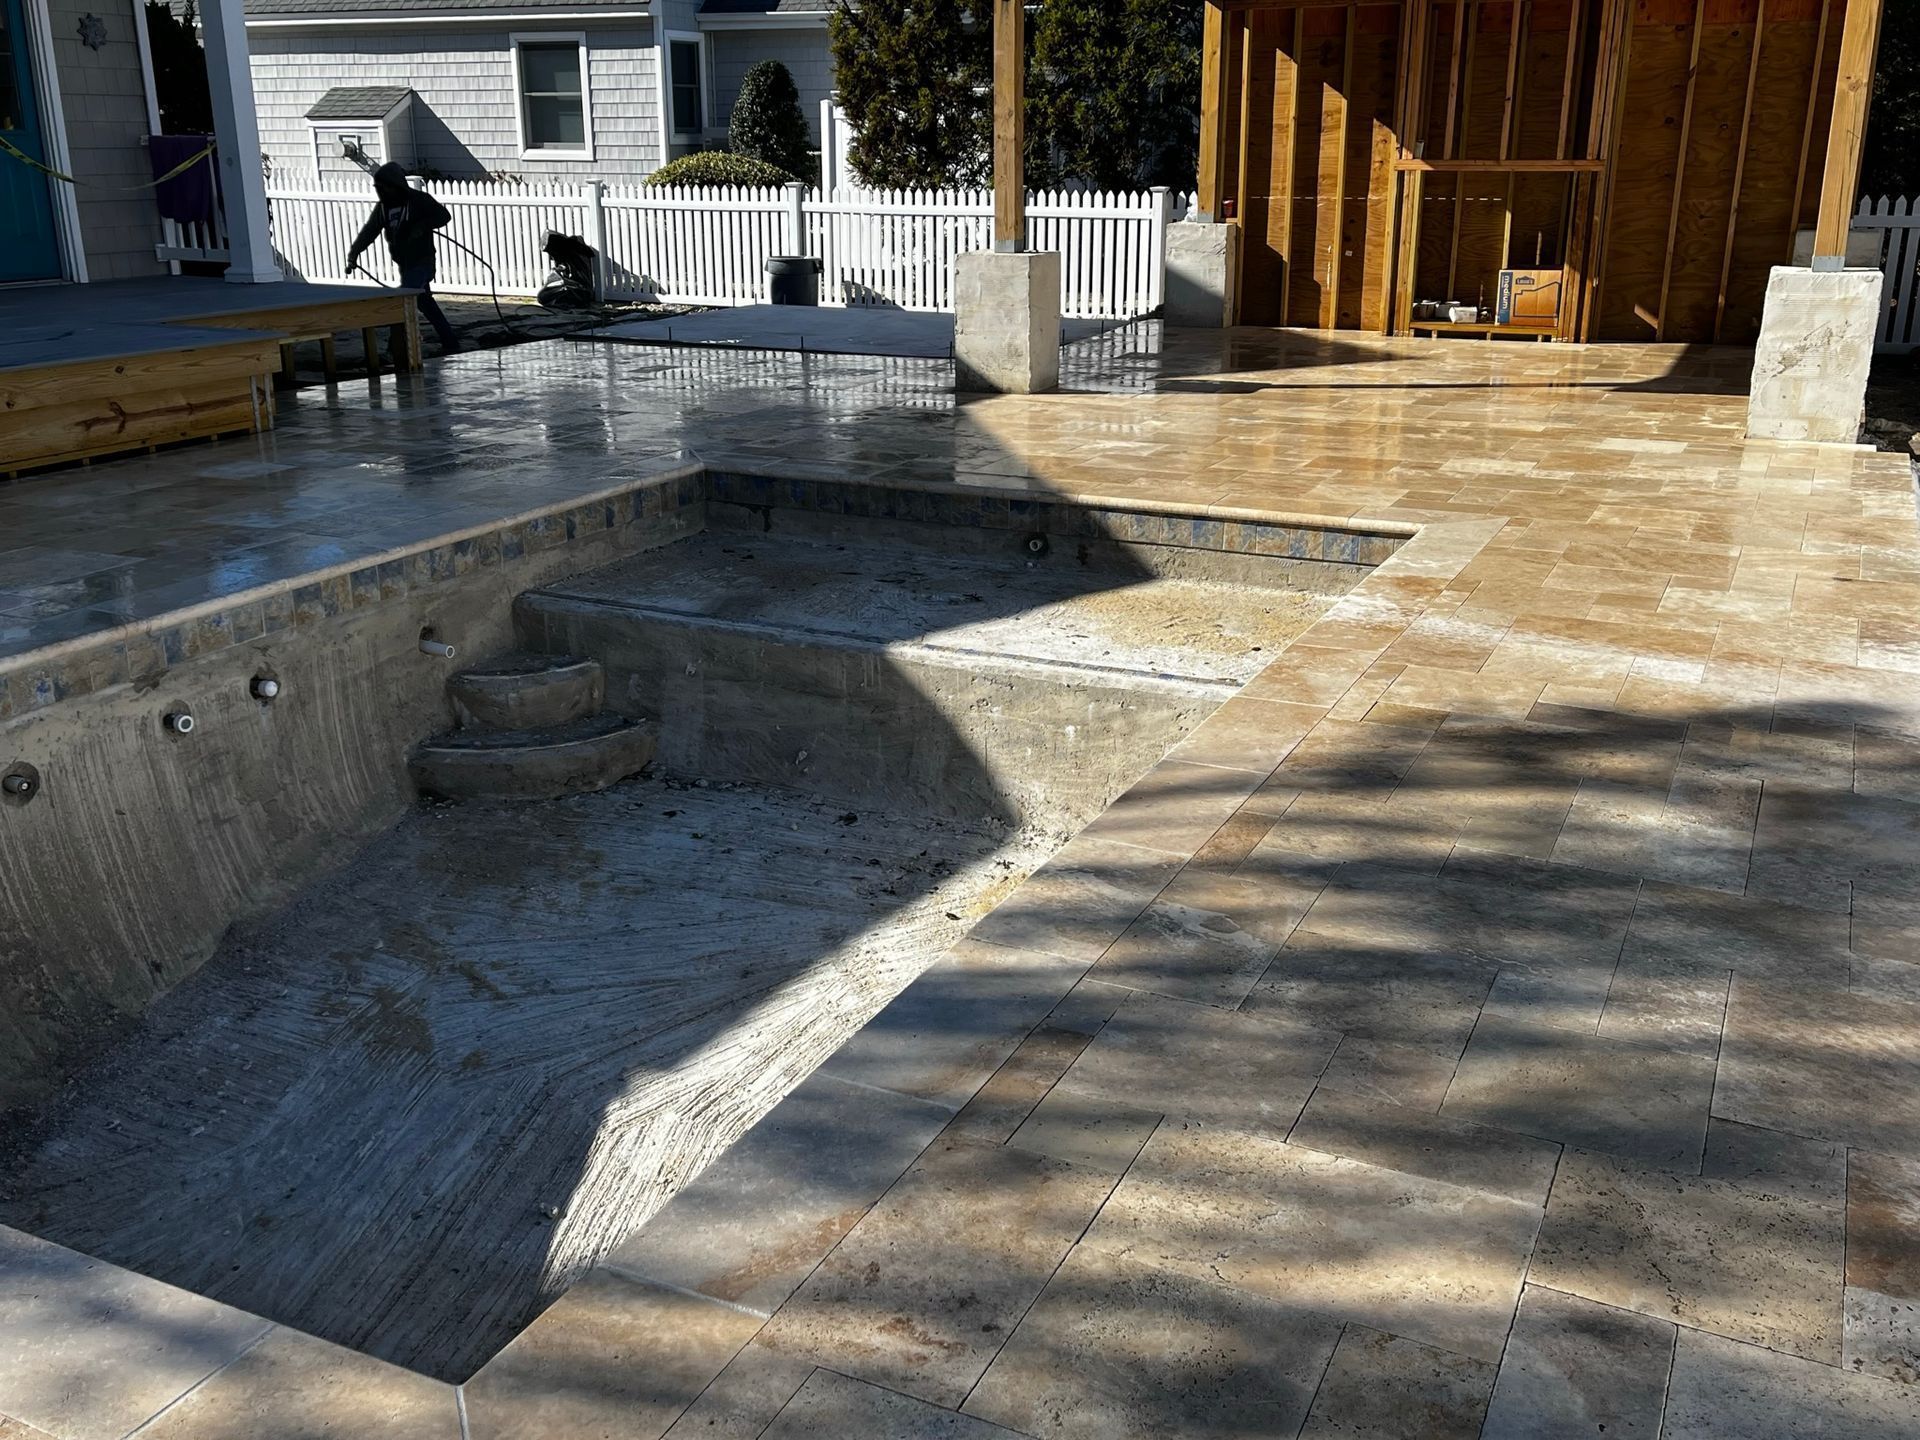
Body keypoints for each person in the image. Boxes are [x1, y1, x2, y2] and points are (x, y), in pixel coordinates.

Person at [346, 163, 460, 355]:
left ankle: (397, 348)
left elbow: (444, 216)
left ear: (395, 185)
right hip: (405, 263)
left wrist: (423, 225)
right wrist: (354, 252)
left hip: (422, 261)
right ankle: (450, 341)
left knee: (403, 300)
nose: (381, 192)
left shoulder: (418, 200)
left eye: (384, 188)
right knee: (425, 303)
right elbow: (370, 231)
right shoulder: (383, 208)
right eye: (378, 188)